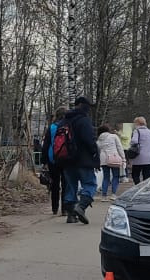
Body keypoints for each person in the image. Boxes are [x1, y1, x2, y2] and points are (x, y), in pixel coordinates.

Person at [60, 96, 100, 224]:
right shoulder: (84, 120)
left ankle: (71, 215)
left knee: (70, 186)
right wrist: (95, 153)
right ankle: (81, 207)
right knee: (90, 184)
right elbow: (89, 140)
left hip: (67, 159)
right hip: (83, 159)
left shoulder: (64, 121)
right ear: (83, 105)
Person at [40, 111, 66, 216]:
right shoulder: (69, 127)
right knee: (66, 184)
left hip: (53, 159)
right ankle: (65, 208)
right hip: (66, 159)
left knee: (54, 184)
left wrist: (44, 161)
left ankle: (54, 208)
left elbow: (46, 145)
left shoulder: (52, 127)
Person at [129, 115, 150, 184]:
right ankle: (144, 190)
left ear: (137, 123)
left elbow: (134, 141)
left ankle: (137, 187)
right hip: (149, 159)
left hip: (138, 158)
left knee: (135, 175)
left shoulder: (136, 131)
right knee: (147, 177)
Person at [97, 123, 124, 200]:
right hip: (114, 157)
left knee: (106, 177)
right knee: (116, 176)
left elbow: (98, 150)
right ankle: (113, 194)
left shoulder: (99, 139)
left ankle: (104, 196)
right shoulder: (114, 136)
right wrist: (123, 158)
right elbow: (119, 147)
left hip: (103, 159)